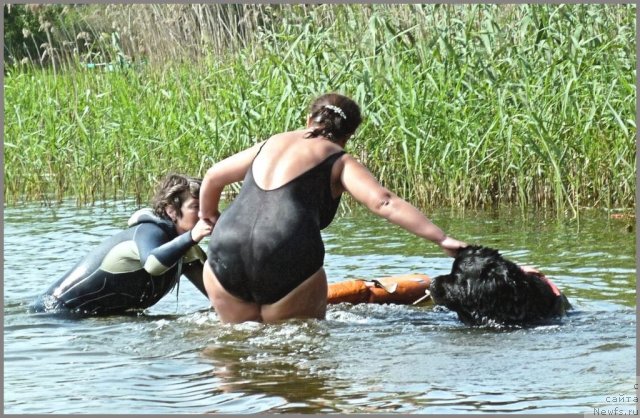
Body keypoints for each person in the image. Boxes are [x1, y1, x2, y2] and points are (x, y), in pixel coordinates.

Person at [199, 93, 467, 324]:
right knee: (297, 358)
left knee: (235, 352)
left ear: (309, 120)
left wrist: (208, 215)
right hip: (286, 254)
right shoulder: (339, 160)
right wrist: (441, 238)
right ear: (348, 135)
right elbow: (383, 202)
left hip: (226, 249)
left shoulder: (270, 143)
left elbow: (212, 176)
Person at [31, 174, 212, 315]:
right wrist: (192, 236)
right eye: (196, 207)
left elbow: (218, 293)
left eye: (209, 205)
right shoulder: (149, 231)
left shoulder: (187, 251)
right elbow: (153, 264)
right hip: (56, 313)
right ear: (171, 210)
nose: (205, 213)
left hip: (96, 317)